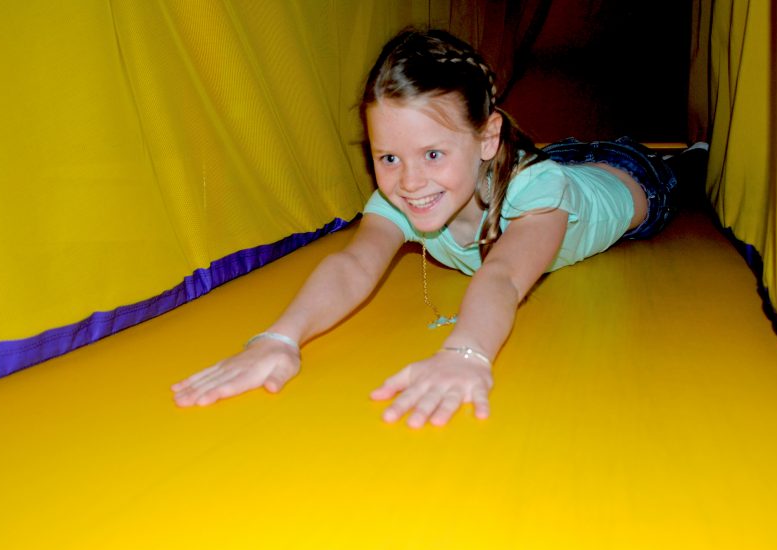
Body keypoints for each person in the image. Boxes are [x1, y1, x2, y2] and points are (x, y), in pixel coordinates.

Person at [172, 27, 692, 428]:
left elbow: (504, 277)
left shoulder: (537, 192)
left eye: (433, 153)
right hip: (532, 156)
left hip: (632, 178)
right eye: (389, 156)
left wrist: (466, 354)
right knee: (531, 160)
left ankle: (690, 159)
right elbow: (354, 263)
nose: (410, 181)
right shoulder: (404, 195)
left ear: (486, 139)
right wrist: (279, 338)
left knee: (680, 174)